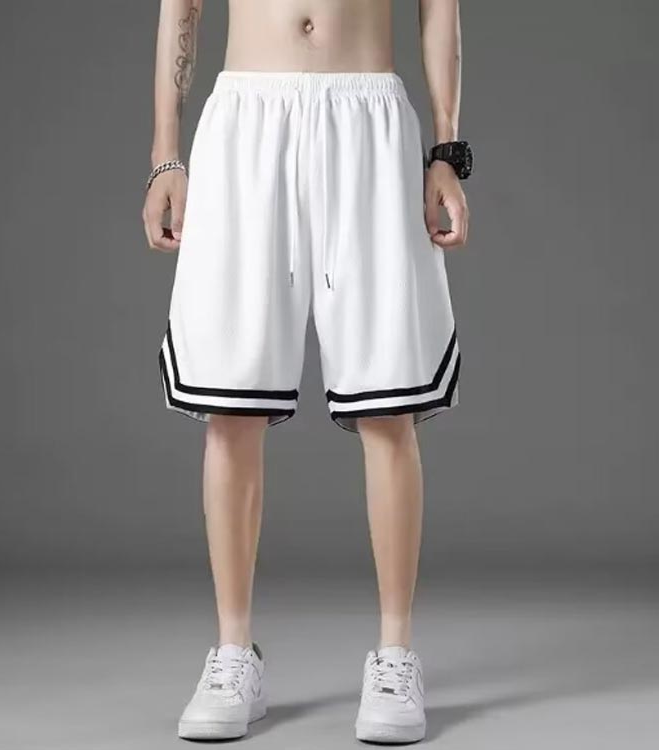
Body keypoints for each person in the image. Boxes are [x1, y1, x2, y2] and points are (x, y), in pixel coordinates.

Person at [142, 0, 471, 743]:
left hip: (369, 118)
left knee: (388, 405)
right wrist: (167, 155)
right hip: (246, 119)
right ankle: (233, 653)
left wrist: (447, 151)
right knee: (231, 407)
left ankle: (395, 654)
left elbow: (440, 5)